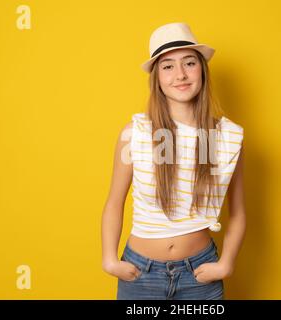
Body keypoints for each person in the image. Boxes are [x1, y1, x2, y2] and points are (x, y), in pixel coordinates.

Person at [101, 22, 246, 300]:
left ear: (202, 70)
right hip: (140, 274)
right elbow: (114, 202)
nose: (180, 74)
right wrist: (109, 259)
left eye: (189, 63)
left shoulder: (229, 136)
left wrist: (226, 263)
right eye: (168, 66)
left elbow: (238, 212)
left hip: (200, 275)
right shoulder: (135, 134)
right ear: (156, 78)